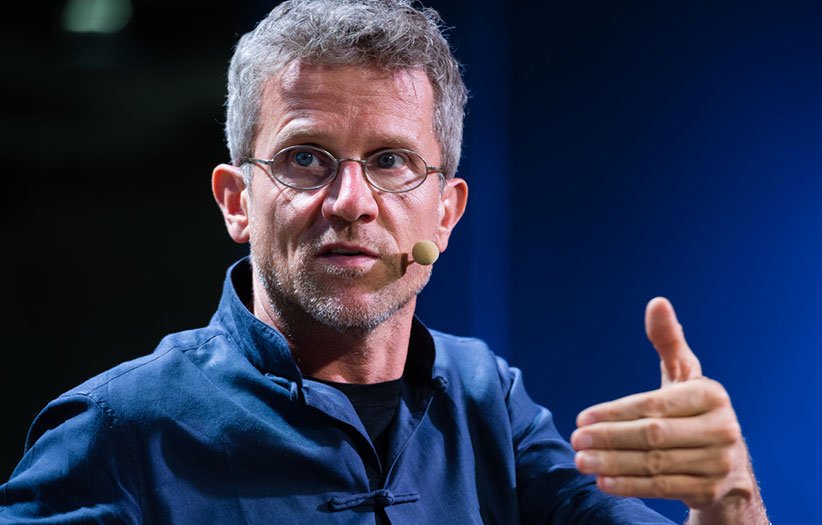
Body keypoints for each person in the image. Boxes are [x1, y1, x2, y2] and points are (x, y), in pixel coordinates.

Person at [0, 1, 768, 523]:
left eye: (392, 160)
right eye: (306, 157)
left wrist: (729, 497)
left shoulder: (488, 402)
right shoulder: (115, 432)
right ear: (237, 201)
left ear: (447, 211)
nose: (351, 201)